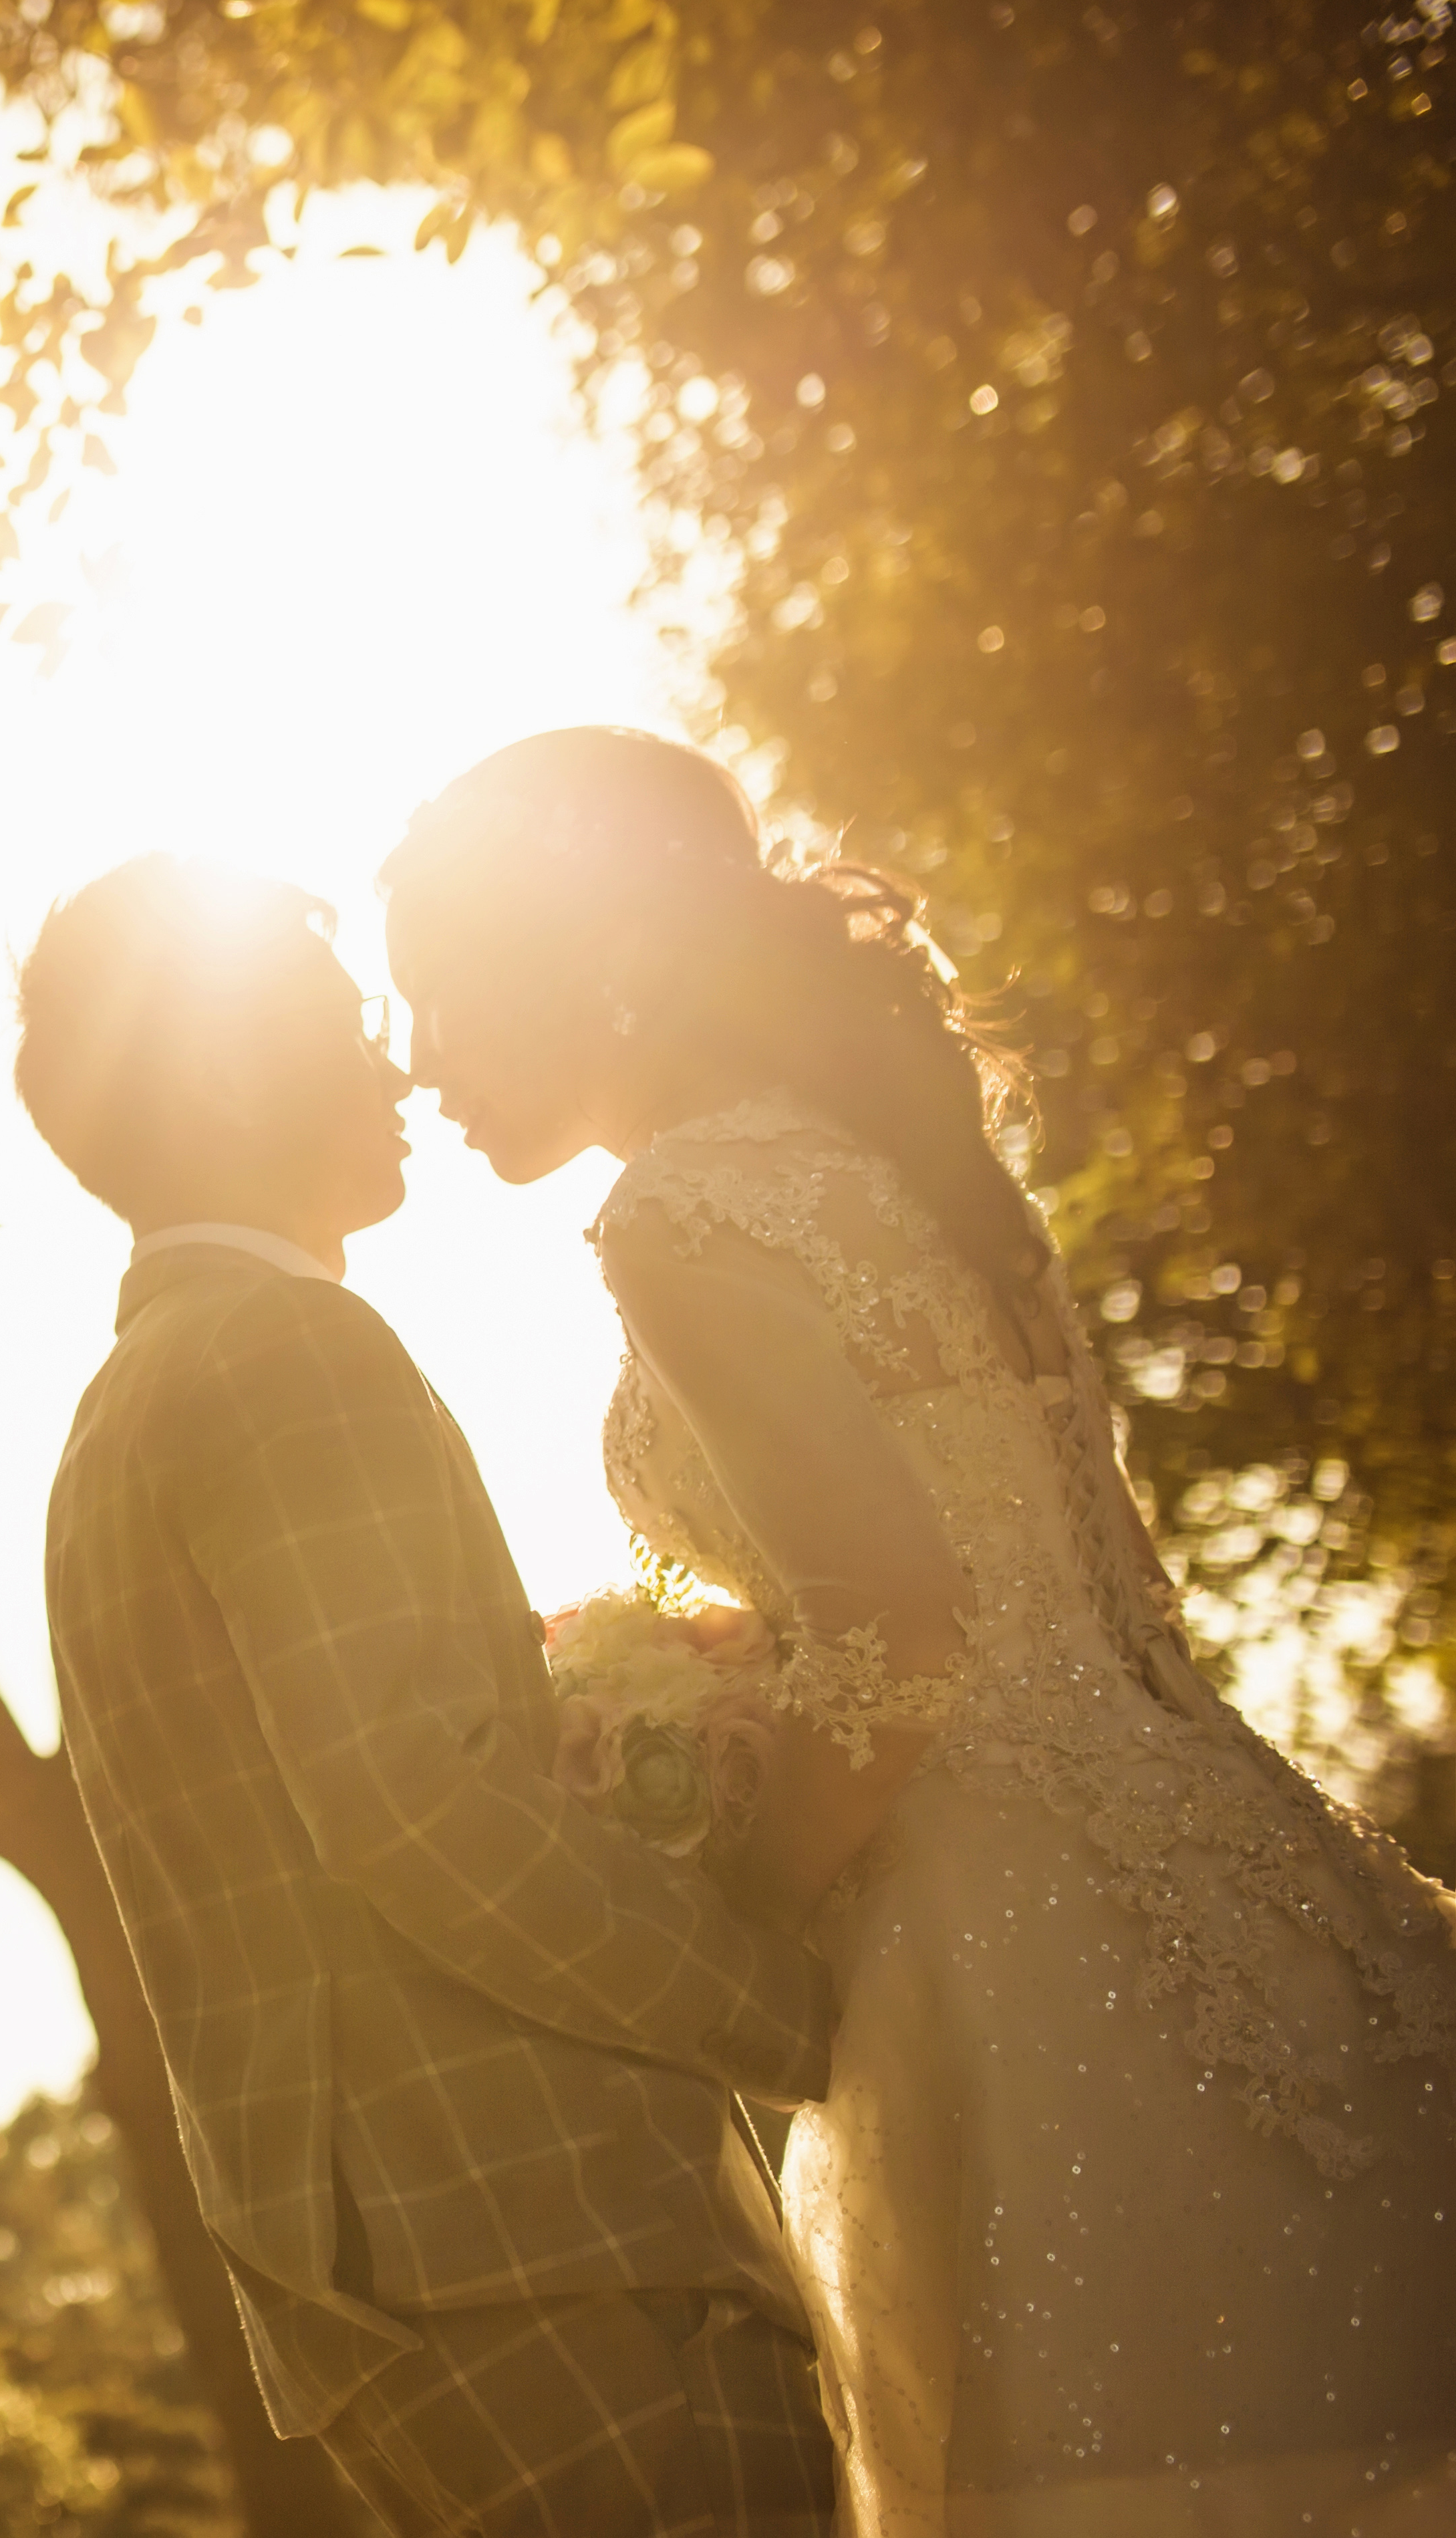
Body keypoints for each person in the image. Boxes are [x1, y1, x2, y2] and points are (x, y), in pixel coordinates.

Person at [382, 725, 1456, 2535]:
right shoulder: (915, 1173)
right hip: (1280, 1897)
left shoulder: (681, 1212)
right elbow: (1121, 1611)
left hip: (1020, 1975)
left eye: (448, 1000)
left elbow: (895, 1638)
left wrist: (717, 1894)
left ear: (600, 963)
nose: (419, 1068)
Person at [22, 855, 840, 2537]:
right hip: (544, 2236)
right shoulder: (286, 1351)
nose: (398, 1069)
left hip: (389, 2274)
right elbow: (415, 1801)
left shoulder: (121, 1412)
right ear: (237, 1073)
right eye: (347, 1028)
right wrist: (787, 2009)